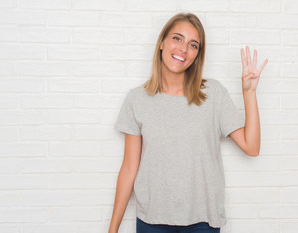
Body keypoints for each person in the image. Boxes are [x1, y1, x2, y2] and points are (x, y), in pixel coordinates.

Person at [108, 12, 268, 233]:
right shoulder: (137, 99)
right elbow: (129, 168)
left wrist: (249, 94)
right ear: (162, 43)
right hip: (152, 220)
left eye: (193, 45)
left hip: (203, 221)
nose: (183, 49)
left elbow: (252, 147)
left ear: (197, 55)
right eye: (177, 38)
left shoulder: (213, 94)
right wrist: (113, 228)